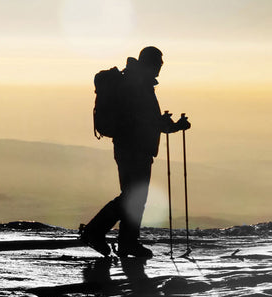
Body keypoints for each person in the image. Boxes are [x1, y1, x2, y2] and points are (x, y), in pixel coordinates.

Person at [80, 46, 190, 259]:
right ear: (150, 63)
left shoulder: (136, 81)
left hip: (129, 147)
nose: (161, 66)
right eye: (158, 62)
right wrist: (168, 125)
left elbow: (142, 120)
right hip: (134, 149)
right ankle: (96, 232)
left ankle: (127, 242)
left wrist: (169, 125)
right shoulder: (136, 85)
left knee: (134, 198)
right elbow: (140, 120)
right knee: (132, 197)